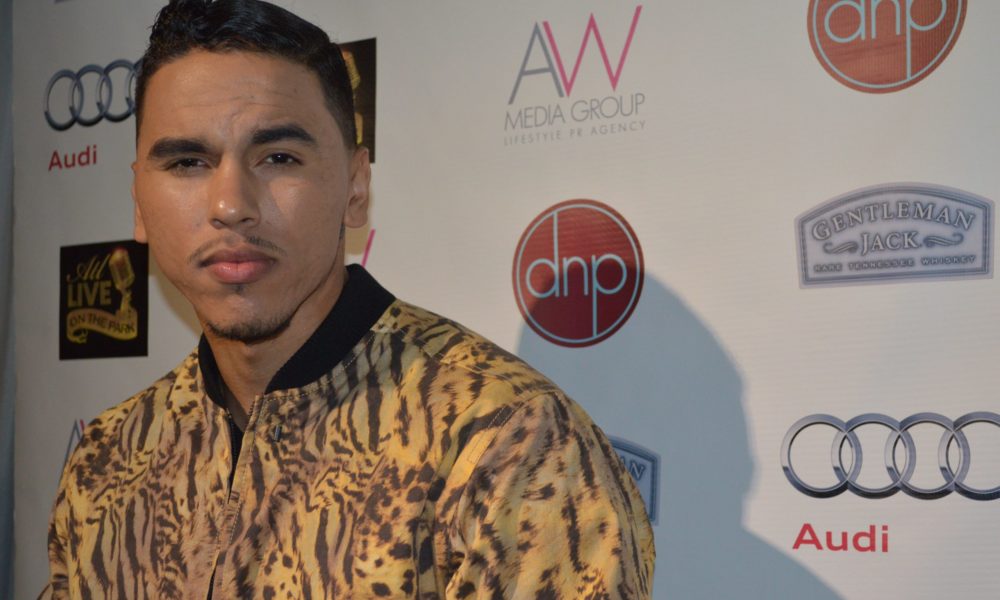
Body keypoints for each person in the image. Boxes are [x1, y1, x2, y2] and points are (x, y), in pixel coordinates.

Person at [41, 0, 655, 597]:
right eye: (187, 162)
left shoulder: (508, 442)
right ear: (138, 202)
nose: (230, 205)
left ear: (356, 188)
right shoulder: (110, 458)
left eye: (278, 157)